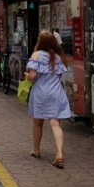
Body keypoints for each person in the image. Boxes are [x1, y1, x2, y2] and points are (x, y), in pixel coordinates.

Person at [25, 32, 71, 168]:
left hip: (40, 93)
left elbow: (32, 76)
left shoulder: (36, 55)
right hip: (56, 92)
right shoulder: (59, 57)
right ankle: (59, 155)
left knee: (38, 123)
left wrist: (27, 75)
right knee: (55, 124)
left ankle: (36, 150)